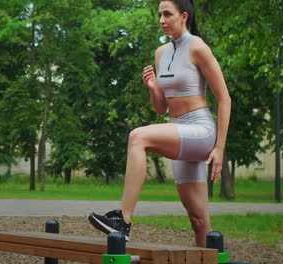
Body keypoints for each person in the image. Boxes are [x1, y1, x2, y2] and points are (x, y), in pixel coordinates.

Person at [88, 0, 231, 247]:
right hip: (180, 129)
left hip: (201, 129)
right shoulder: (160, 53)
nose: (162, 20)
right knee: (198, 220)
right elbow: (161, 108)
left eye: (167, 14)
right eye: (159, 15)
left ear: (184, 16)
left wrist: (219, 148)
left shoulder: (197, 46)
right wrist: (153, 88)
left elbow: (224, 98)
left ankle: (122, 219)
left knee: (138, 137)